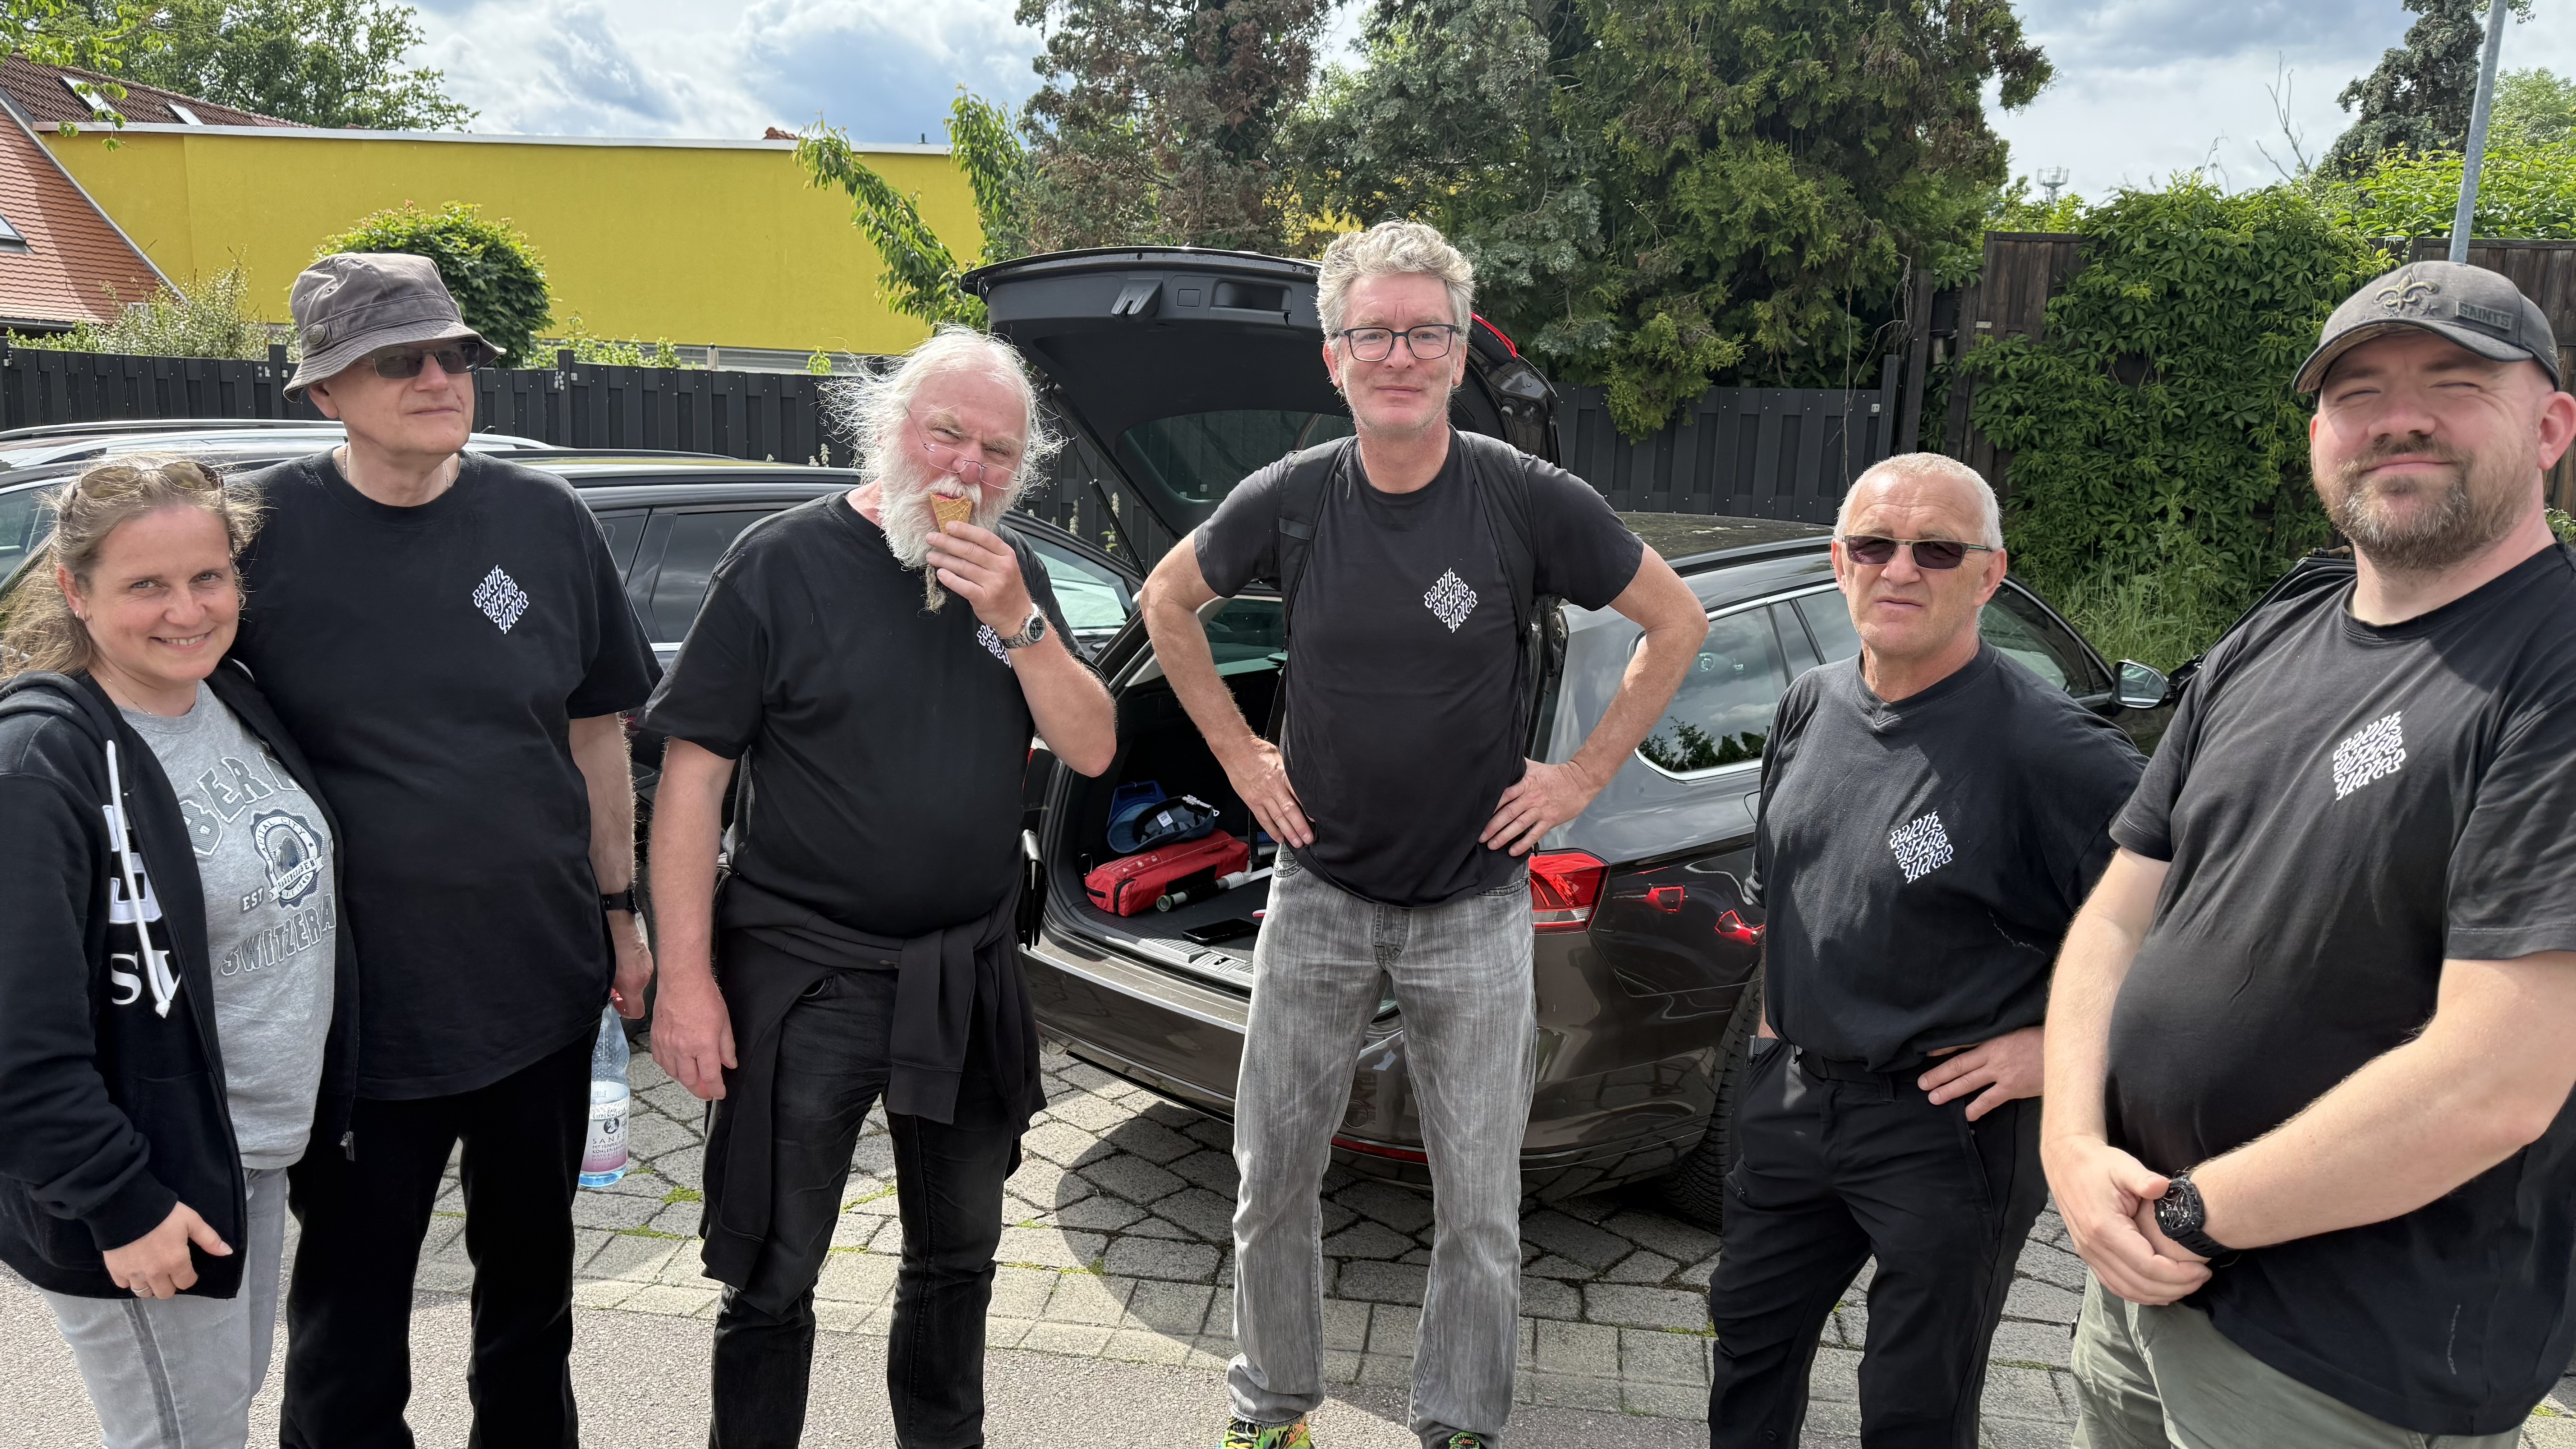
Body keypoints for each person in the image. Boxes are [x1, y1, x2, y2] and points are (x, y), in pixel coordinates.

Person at [1136, 220, 1708, 1449]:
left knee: (1480, 1204)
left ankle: (1457, 1423)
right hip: (1318, 896)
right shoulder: (1293, 497)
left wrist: (1583, 773)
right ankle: (1270, 1410)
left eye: (1426, 333)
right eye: (1375, 333)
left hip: (1476, 905)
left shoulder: (1524, 497)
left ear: (1457, 353)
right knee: (1272, 1176)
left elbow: (1676, 620)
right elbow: (1166, 601)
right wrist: (1239, 754)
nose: (1400, 354)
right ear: (1335, 356)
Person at [2042, 260, 2576, 1447]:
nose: (2398, 417)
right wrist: (2072, 1148)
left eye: (2454, 383)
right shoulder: (2273, 635)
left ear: (2550, 428)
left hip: (2349, 1360)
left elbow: (2493, 1083)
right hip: (2139, 1285)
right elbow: (2119, 916)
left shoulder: (2554, 676)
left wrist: (2189, 1214)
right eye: (2357, 392)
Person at [644, 326, 1117, 1449]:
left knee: (957, 1261)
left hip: (964, 970)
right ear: (888, 428)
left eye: (998, 451)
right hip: (805, 976)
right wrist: (686, 983)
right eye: (947, 433)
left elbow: (1093, 745)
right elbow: (693, 783)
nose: (968, 468)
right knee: (773, 1271)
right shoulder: (781, 562)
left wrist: (1020, 622)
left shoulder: (1015, 577)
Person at [231, 253, 662, 1446]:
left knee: (531, 1301)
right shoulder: (257, 532)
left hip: (538, 985)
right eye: (399, 361)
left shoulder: (545, 520)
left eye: (455, 354)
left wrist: (621, 916)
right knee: (350, 1320)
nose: (439, 377)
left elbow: (597, 735)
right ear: (325, 392)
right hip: (356, 1014)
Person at [1701, 453, 2144, 1448]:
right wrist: (1773, 1038)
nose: (1900, 569)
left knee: (1914, 1402)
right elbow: (1790, 892)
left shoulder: (2057, 752)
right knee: (1748, 1345)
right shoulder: (1809, 704)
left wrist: (2055, 1050)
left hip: (1948, 1128)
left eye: (1937, 550)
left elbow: (2198, 929)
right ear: (1840, 561)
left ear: (1989, 575)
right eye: (1874, 545)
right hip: (1795, 1098)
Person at [0, 457, 358, 1449]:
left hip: (252, 1157)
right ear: (75, 591)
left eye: (208, 576)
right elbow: (17, 1044)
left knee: (215, 1419)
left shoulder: (229, 698)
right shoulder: (39, 764)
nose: (187, 609)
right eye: (146, 584)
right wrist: (121, 1203)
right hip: (154, 1182)